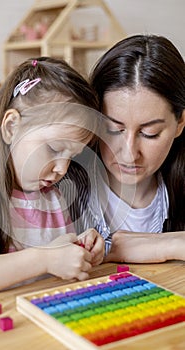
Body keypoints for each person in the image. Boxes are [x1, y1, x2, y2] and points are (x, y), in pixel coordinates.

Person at [0, 57, 105, 308]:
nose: (62, 168)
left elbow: (57, 258)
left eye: (72, 156)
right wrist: (45, 259)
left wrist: (79, 249)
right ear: (11, 127)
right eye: (54, 148)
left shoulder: (53, 198)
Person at [61, 34, 185, 263]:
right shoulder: (56, 185)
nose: (129, 153)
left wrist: (166, 245)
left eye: (150, 134)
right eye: (112, 129)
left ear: (180, 123)